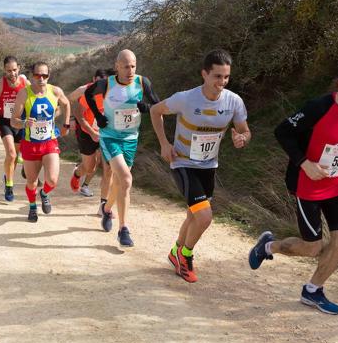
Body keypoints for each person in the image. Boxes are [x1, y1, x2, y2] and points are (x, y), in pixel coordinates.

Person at [248, 56, 338, 315]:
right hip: (308, 184)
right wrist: (304, 162)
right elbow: (283, 131)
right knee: (313, 247)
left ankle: (313, 291)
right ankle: (268, 246)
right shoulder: (318, 107)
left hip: (337, 183)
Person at [150, 49, 250, 282]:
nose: (222, 83)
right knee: (204, 217)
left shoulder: (233, 101)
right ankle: (186, 255)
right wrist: (164, 144)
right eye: (217, 77)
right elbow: (156, 111)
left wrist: (242, 138)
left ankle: (175, 252)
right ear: (204, 74)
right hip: (183, 162)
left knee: (193, 216)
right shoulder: (185, 98)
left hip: (209, 165)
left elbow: (245, 130)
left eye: (226, 77)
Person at [85, 50, 158, 247]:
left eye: (133, 66)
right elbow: (87, 94)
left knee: (120, 182)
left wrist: (147, 108)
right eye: (126, 66)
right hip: (110, 137)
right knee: (126, 179)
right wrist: (98, 117)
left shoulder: (143, 83)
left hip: (131, 139)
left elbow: (158, 105)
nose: (130, 70)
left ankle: (107, 209)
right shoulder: (106, 83)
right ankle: (123, 229)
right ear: (117, 66)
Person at [11, 61, 70, 221]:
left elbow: (66, 103)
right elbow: (13, 121)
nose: (41, 78)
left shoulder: (55, 91)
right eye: (37, 75)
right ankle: (32, 207)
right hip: (30, 143)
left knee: (52, 179)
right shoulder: (24, 93)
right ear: (32, 76)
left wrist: (66, 124)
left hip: (49, 142)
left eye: (44, 75)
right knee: (32, 181)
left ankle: (44, 193)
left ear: (48, 76)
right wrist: (23, 123)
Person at [0, 56, 30, 201]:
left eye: (14, 70)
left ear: (19, 69)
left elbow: (35, 97)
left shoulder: (25, 83)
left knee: (15, 157)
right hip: (5, 122)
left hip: (20, 122)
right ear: (4, 71)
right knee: (11, 154)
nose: (12, 73)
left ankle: (8, 177)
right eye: (9, 71)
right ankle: (10, 186)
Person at [69, 69, 113, 207]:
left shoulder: (114, 93)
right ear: (93, 79)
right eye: (98, 82)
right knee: (90, 168)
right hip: (86, 132)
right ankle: (77, 174)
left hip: (105, 133)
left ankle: (103, 206)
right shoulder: (86, 91)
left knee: (108, 168)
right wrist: (70, 119)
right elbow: (68, 100)